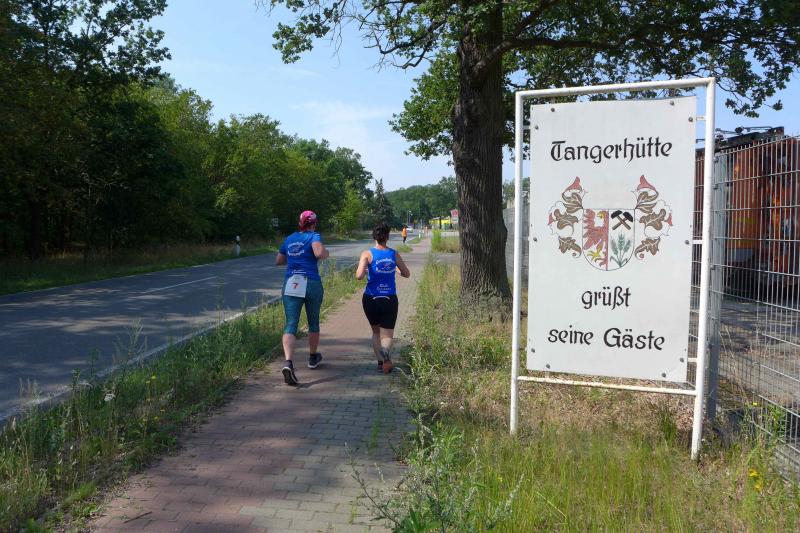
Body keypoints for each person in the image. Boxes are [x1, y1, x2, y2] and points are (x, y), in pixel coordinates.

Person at [275, 210, 329, 385]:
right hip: (311, 282)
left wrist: (294, 258)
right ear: (314, 224)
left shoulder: (290, 238)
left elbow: (279, 260)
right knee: (313, 323)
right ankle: (312, 357)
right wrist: (325, 253)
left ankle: (288, 363)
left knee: (291, 325)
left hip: (292, 283)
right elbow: (319, 253)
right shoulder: (314, 236)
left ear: (300, 223)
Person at [356, 223, 410, 374]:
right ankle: (385, 350)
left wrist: (365, 267)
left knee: (376, 332)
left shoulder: (367, 254)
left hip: (371, 298)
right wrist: (396, 269)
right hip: (389, 299)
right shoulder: (394, 254)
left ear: (374, 236)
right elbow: (407, 274)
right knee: (387, 334)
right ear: (387, 237)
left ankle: (380, 363)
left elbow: (359, 276)